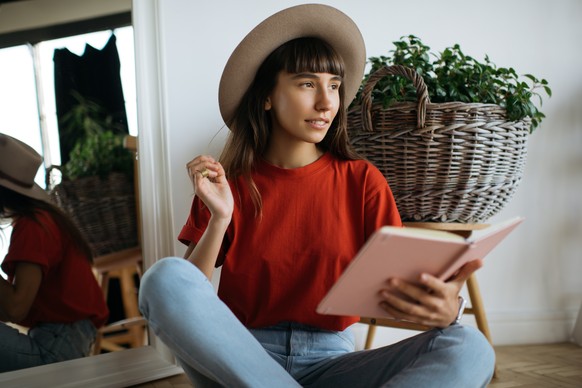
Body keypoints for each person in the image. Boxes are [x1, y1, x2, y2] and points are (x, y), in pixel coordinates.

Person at [138, 4, 495, 387]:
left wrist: (446, 310)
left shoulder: (362, 182)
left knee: (471, 346)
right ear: (267, 97)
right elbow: (185, 292)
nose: (327, 102)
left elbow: (395, 294)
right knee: (163, 277)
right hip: (241, 357)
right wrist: (221, 216)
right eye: (307, 83)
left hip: (334, 363)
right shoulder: (230, 185)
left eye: (335, 86)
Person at [0, 133, 109, 372]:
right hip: (63, 342)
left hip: (55, 352)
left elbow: (15, 308)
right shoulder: (41, 219)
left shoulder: (34, 226)